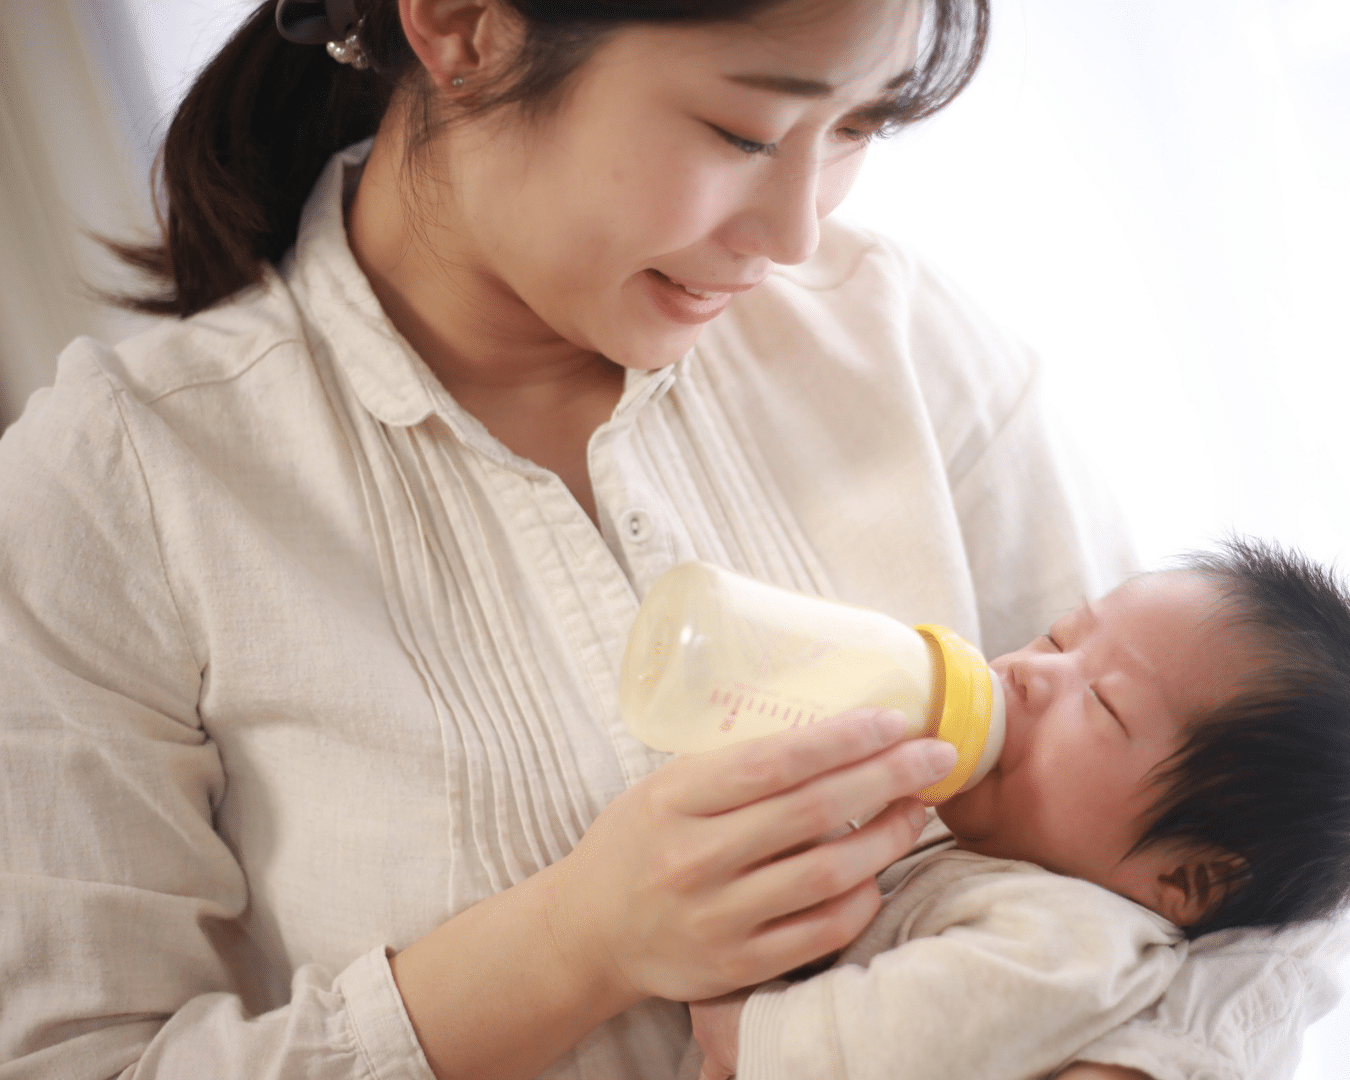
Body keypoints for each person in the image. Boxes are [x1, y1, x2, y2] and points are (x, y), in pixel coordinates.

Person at [0, 2, 1342, 1078]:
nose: (795, 232)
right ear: (463, 25)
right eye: (741, 130)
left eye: (861, 122)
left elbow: (1262, 877)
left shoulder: (894, 342)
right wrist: (577, 943)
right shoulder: (124, 487)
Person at [687, 539, 1350, 1078]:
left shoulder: (1068, 939)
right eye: (1058, 640)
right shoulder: (990, 849)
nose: (1031, 672)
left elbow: (886, 1045)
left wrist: (731, 1021)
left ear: (1186, 878)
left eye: (1102, 703)